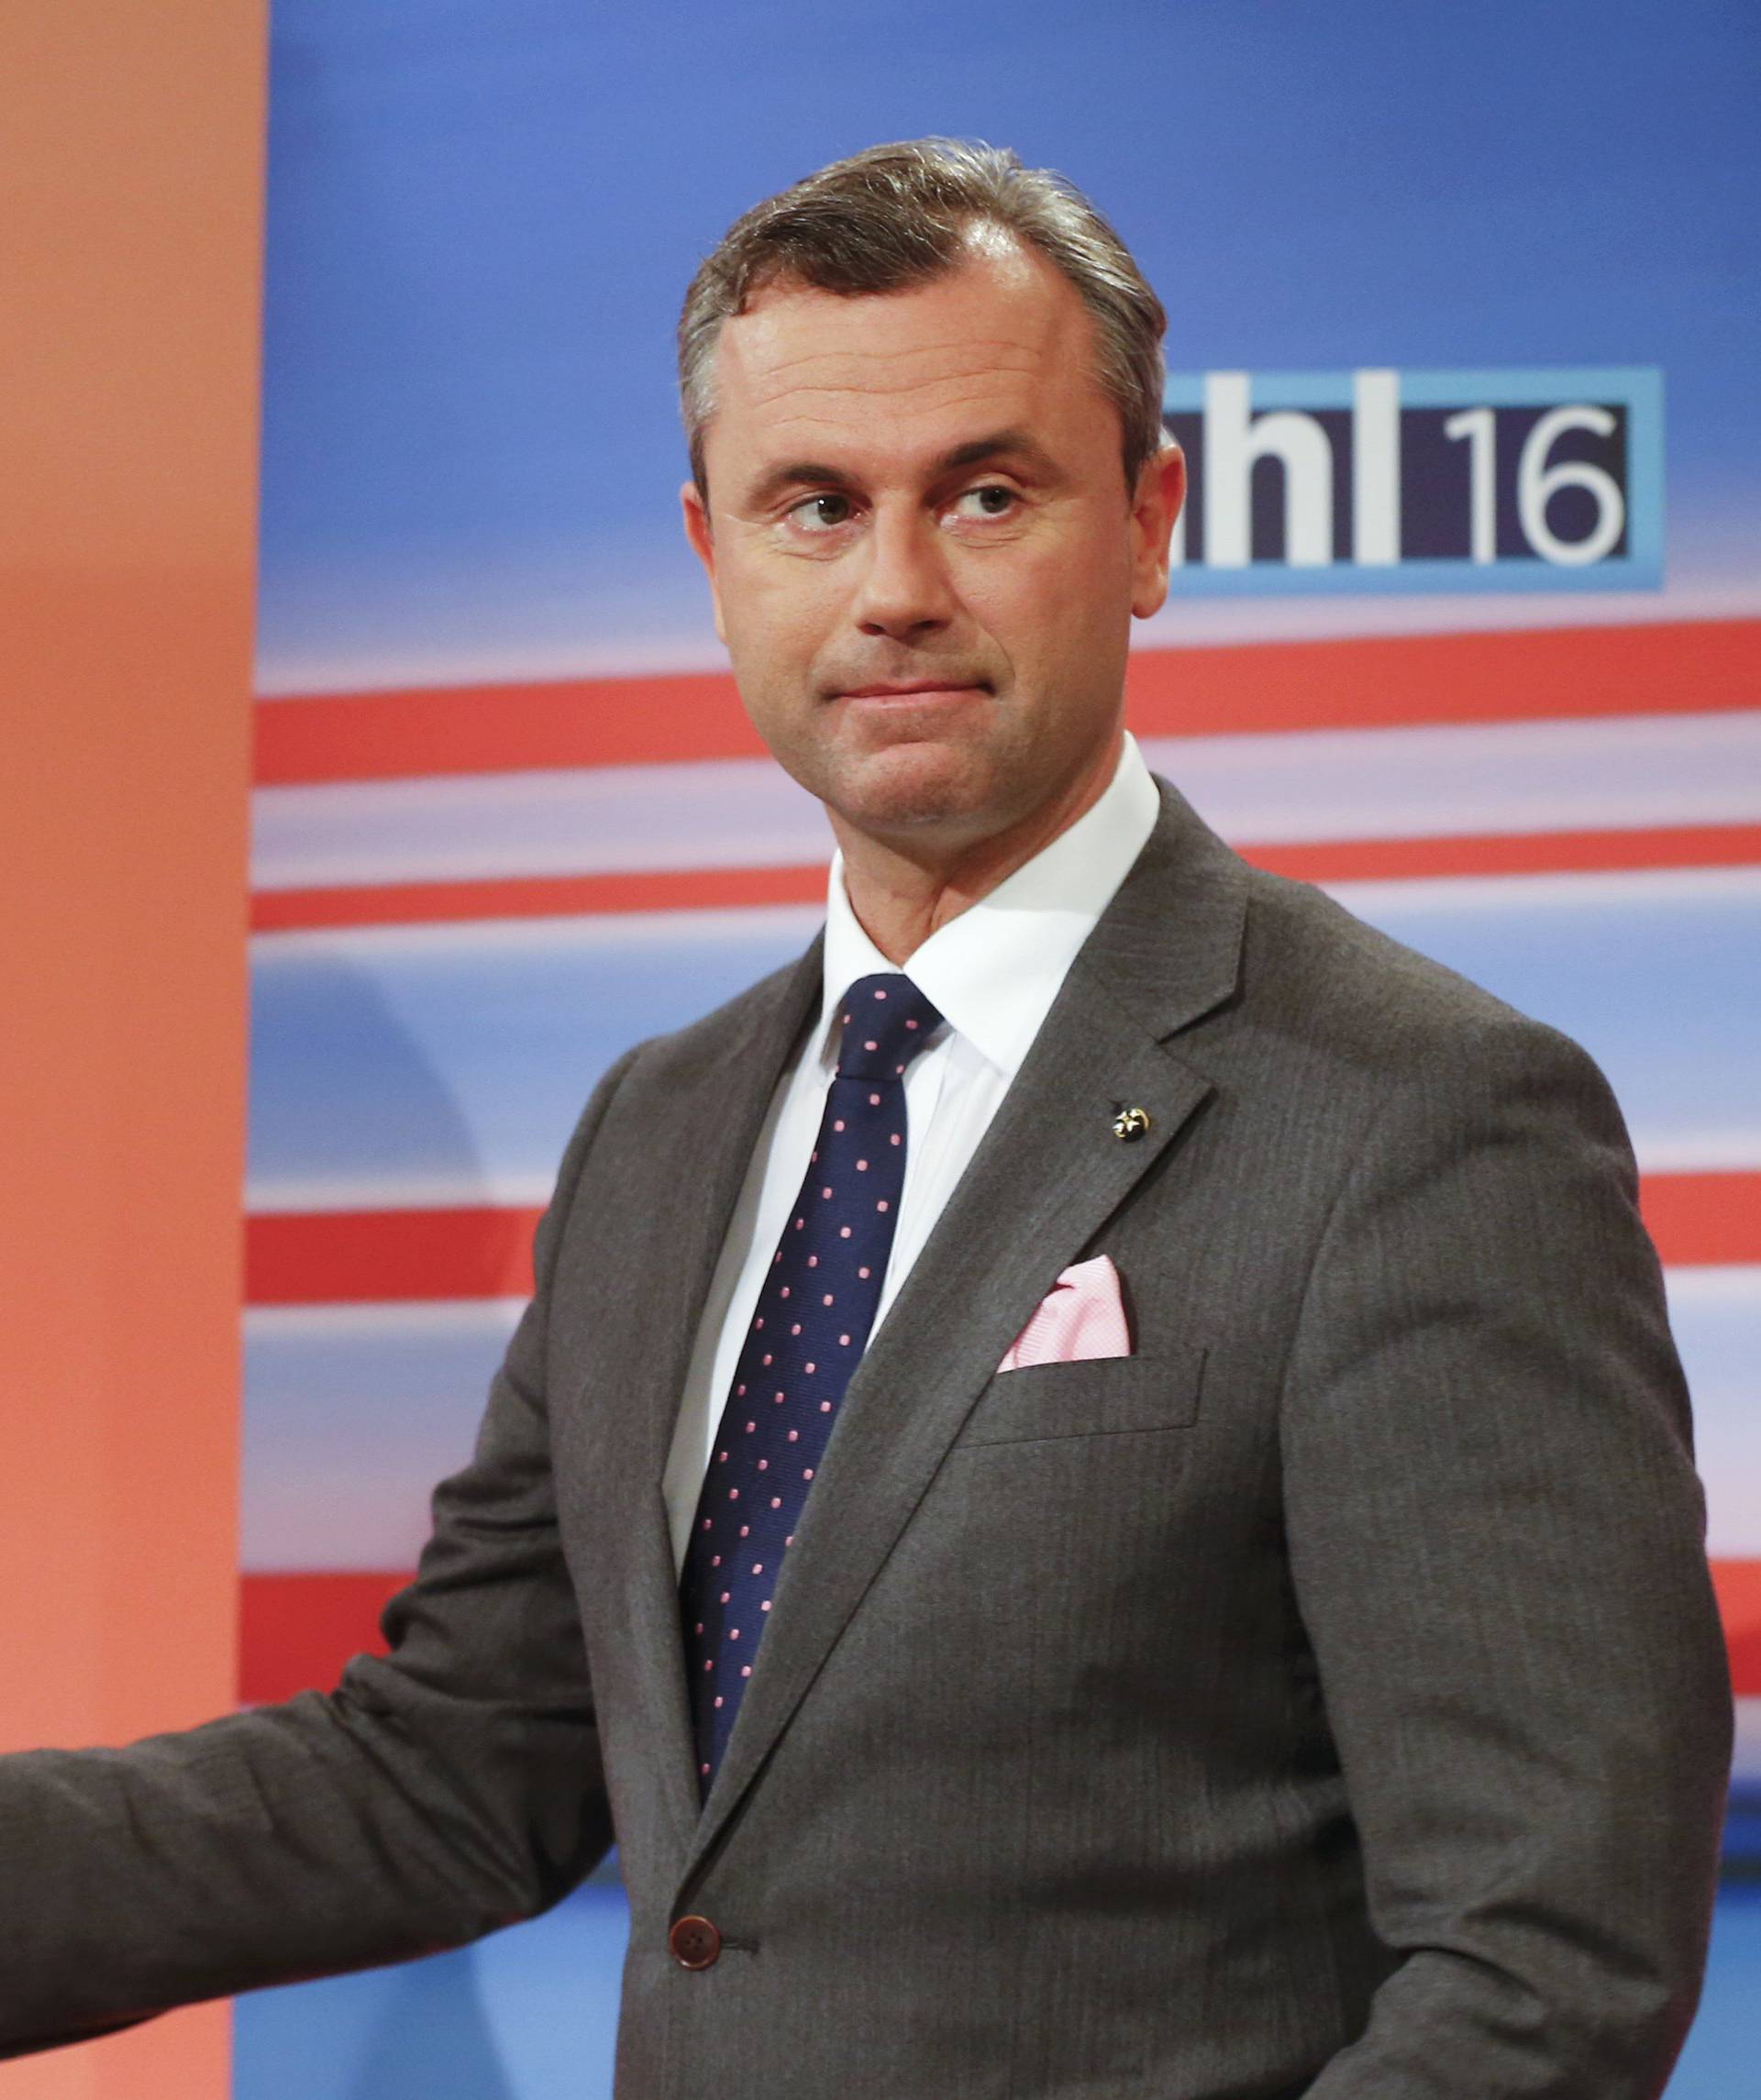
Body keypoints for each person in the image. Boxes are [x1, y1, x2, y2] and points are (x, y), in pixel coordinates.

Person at [0, 139, 1733, 2097]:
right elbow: (463, 1765)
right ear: (713, 554)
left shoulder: (1420, 1121)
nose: (898, 588)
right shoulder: (658, 1133)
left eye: (987, 494)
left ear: (1151, 522)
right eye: (815, 506)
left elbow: (1543, 1963)